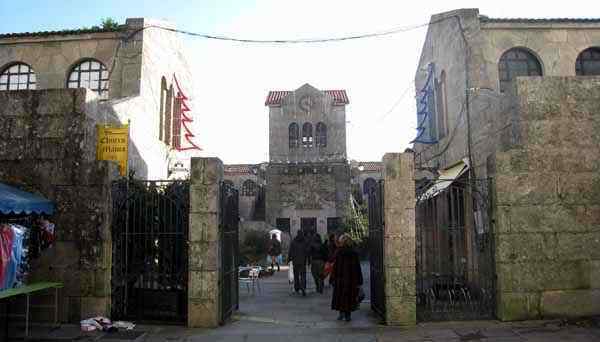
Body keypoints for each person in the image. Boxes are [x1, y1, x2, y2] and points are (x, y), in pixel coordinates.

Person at [331, 233, 363, 322]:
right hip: (351, 279)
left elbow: (335, 267)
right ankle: (348, 314)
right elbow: (357, 268)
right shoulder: (354, 253)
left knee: (340, 296)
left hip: (340, 278)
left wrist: (332, 278)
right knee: (349, 296)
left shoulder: (338, 252)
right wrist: (359, 280)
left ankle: (341, 313)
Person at [287, 231, 309, 296]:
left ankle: (297, 287)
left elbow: (290, 251)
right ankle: (303, 287)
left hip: (295, 261)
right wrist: (309, 260)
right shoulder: (305, 242)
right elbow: (307, 251)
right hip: (303, 261)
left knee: (296, 275)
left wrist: (288, 259)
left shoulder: (293, 242)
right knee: (303, 275)